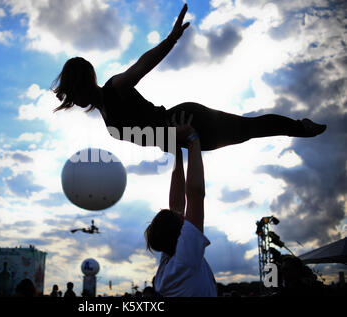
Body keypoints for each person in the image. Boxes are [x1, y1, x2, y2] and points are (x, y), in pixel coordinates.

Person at [51, 3, 326, 154]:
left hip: (186, 120)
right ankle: (298, 127)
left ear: (84, 82)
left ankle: (299, 127)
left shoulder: (114, 88)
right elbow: (155, 139)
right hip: (184, 139)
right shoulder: (105, 115)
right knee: (245, 133)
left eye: (72, 90)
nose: (72, 98)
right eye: (69, 94)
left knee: (248, 129)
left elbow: (141, 65)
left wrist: (171, 40)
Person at [144, 111, 216, 297]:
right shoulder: (184, 260)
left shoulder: (171, 262)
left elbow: (179, 203)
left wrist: (175, 151)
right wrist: (192, 139)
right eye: (179, 216)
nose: (181, 212)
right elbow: (195, 195)